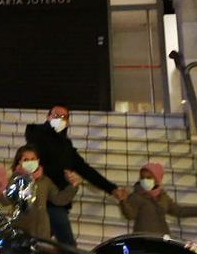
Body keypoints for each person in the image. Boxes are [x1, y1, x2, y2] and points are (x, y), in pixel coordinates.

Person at [25, 105, 127, 246]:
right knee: (67, 245)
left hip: (59, 198)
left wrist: (112, 189)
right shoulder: (37, 134)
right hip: (43, 198)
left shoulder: (66, 146)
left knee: (41, 242)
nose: (59, 120)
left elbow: (85, 169)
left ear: (68, 122)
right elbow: (36, 147)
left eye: (64, 117)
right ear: (47, 117)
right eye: (56, 115)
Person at [0, 145, 79, 240]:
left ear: (38, 161)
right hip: (22, 230)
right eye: (26, 160)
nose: (30, 162)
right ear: (20, 162)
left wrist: (73, 186)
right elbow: (5, 201)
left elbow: (58, 199)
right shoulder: (16, 180)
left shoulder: (44, 181)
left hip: (42, 232)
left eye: (33, 159)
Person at [118, 162, 197, 236]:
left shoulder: (163, 197)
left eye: (149, 178)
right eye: (142, 178)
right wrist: (123, 201)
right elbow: (130, 215)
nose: (145, 180)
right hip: (143, 240)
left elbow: (178, 211)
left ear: (157, 178)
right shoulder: (136, 196)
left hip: (162, 238)